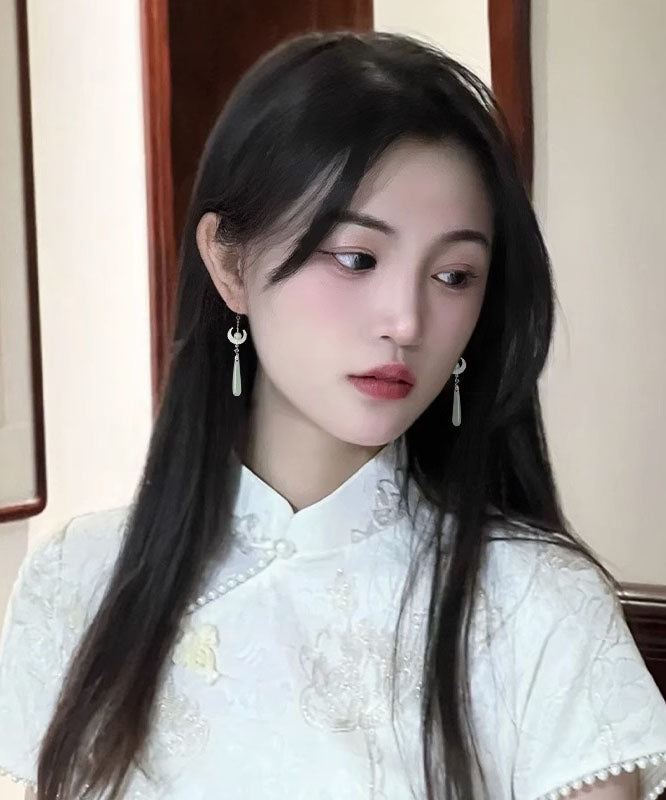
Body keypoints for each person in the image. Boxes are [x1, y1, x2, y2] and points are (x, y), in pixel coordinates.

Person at [1, 28, 665, 800]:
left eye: (454, 275)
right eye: (356, 259)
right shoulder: (77, 579)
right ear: (229, 263)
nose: (407, 321)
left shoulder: (534, 603)